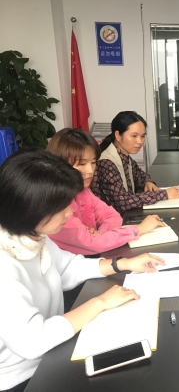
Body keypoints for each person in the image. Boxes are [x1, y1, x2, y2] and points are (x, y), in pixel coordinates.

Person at [0, 149, 166, 392]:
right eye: (62, 207)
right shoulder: (4, 265)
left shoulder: (33, 236)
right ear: (32, 208)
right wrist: (100, 302)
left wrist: (123, 263)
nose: (69, 213)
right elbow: (32, 340)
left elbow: (69, 267)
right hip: (22, 378)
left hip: (53, 352)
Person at [46, 128, 164, 255]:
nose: (90, 170)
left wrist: (100, 235)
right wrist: (139, 229)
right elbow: (93, 243)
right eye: (81, 164)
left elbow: (112, 216)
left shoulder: (82, 191)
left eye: (93, 162)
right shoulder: (55, 204)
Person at [91, 111, 179, 213]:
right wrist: (164, 194)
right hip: (111, 221)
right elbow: (122, 202)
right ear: (118, 135)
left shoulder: (124, 157)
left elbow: (140, 175)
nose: (140, 141)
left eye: (142, 136)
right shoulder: (106, 163)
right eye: (134, 136)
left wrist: (148, 182)